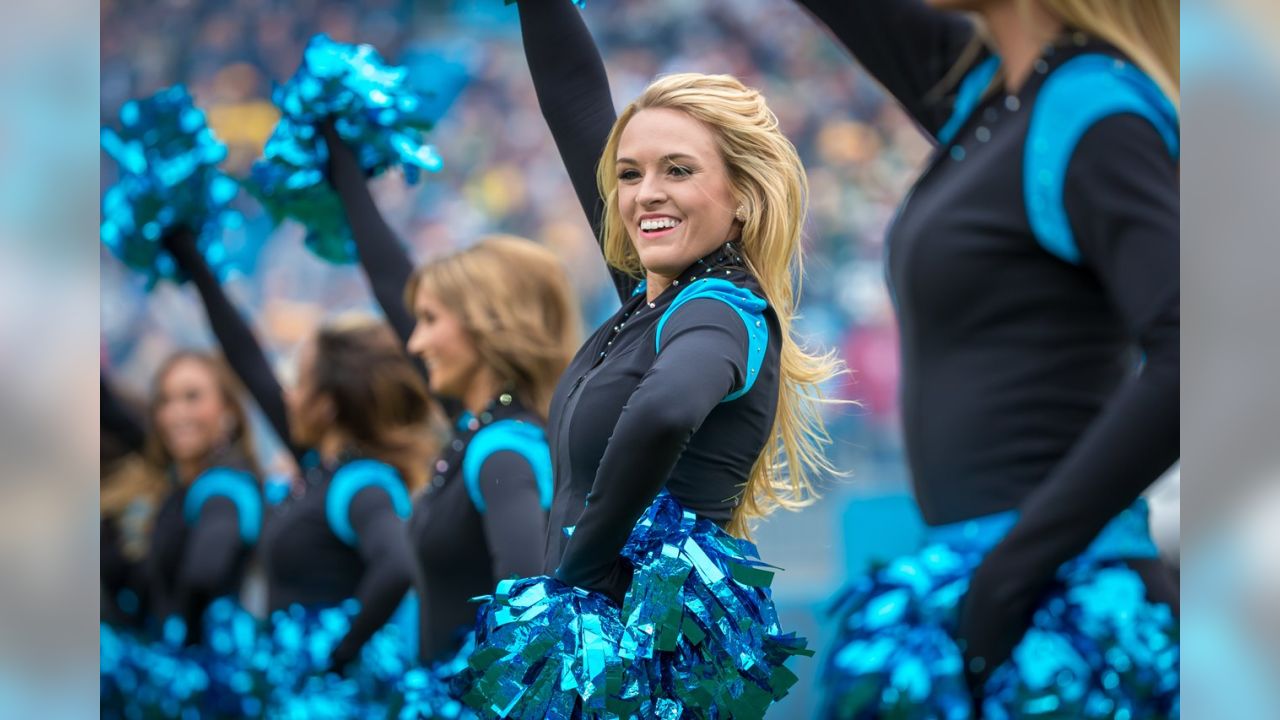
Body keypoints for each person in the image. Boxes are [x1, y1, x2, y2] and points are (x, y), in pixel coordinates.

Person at [786, 0, 1180, 716]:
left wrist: (1012, 572)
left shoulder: (1092, 112)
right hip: (993, 591)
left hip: (1067, 624)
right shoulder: (989, 97)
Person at [455, 2, 845, 717]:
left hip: (639, 677)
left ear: (743, 198)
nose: (644, 194)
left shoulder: (721, 307)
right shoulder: (654, 300)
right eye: (629, 174)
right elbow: (575, 102)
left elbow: (665, 409)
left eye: (678, 169)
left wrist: (576, 578)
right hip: (603, 663)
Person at [320, 123, 581, 671]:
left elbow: (531, 628)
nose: (414, 343)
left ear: (487, 327)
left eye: (431, 321)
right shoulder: (481, 431)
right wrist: (343, 167)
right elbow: (392, 283)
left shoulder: (502, 450)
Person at [162, 225, 429, 686]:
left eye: (299, 381)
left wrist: (335, 659)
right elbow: (248, 363)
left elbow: (397, 565)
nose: (286, 393)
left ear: (325, 405)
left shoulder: (360, 481)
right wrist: (191, 260)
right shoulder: (320, 468)